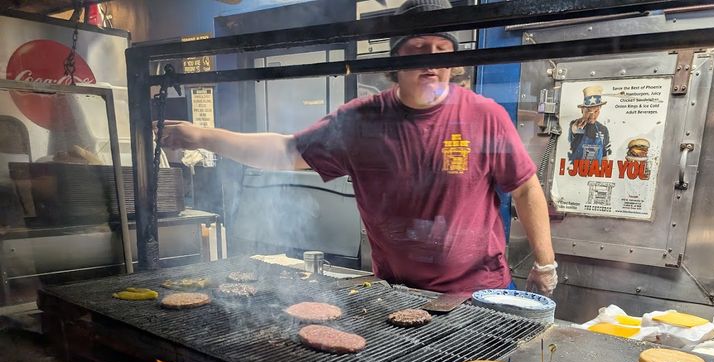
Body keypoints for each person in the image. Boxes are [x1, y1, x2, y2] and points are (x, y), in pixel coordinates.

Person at [161, 0, 557, 296]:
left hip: (476, 294)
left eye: (442, 50)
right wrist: (203, 136)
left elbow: (524, 187)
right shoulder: (362, 120)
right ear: (396, 59)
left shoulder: (484, 115)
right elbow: (286, 151)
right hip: (395, 294)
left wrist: (545, 262)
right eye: (418, 50)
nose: (432, 62)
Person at [568, 85, 611, 162]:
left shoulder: (603, 129)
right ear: (582, 110)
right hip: (576, 170)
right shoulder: (575, 124)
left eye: (596, 111)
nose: (592, 116)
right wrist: (577, 125)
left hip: (596, 171)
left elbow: (605, 155)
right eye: (588, 111)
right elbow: (574, 129)